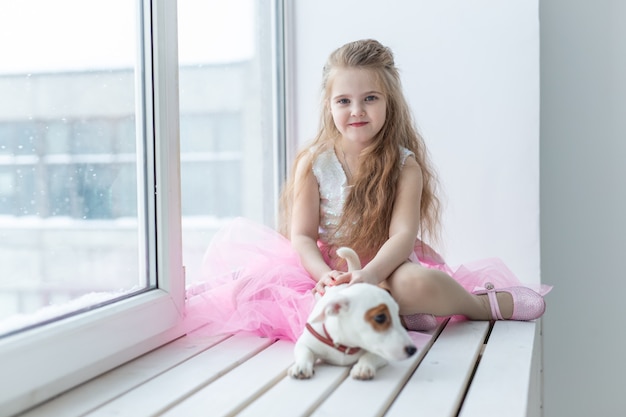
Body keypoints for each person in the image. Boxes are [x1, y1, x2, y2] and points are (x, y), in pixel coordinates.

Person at [185, 39, 551, 341]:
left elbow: (403, 237)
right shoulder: (313, 163)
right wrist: (322, 274)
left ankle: (476, 305)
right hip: (331, 268)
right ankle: (396, 311)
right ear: (329, 106)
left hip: (386, 266)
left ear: (389, 102)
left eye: (370, 98)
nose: (356, 110)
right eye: (343, 101)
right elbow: (302, 236)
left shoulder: (403, 165)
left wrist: (373, 275)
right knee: (260, 293)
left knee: (415, 284)